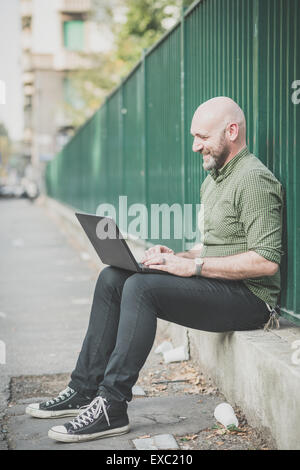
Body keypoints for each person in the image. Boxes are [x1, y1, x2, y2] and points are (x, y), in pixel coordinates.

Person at [26, 96, 283, 443]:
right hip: (220, 285)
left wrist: (192, 266)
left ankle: (112, 405)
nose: (195, 146)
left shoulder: (253, 180)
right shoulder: (214, 180)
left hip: (251, 299)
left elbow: (266, 260)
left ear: (232, 131)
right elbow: (215, 247)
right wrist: (173, 256)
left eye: (202, 137)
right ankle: (84, 389)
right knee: (114, 277)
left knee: (141, 289)